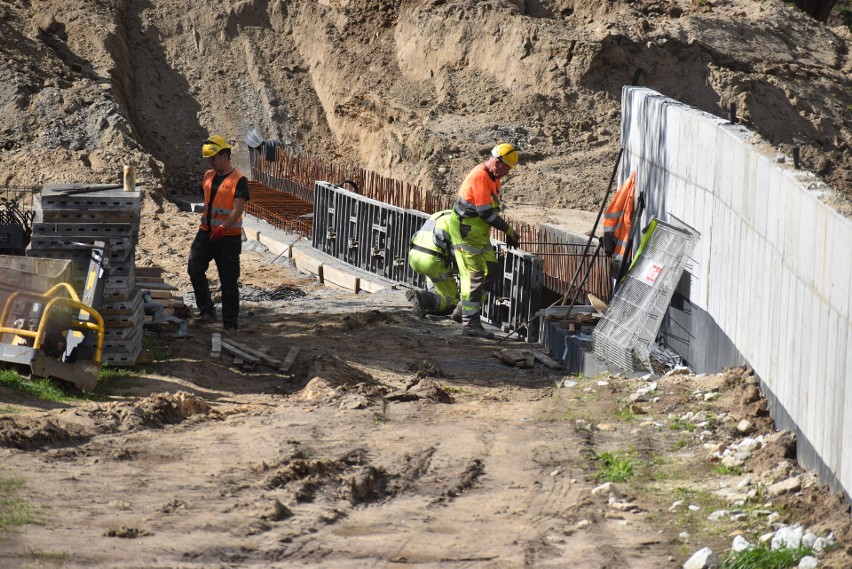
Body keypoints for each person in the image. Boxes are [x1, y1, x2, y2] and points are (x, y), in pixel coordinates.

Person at [449, 143, 520, 338]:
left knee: (492, 271)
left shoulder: (493, 177)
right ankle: (470, 324)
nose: (506, 173)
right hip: (466, 232)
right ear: (497, 163)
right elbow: (485, 212)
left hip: (479, 234)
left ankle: (462, 311)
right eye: (506, 168)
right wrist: (507, 229)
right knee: (475, 276)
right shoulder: (480, 176)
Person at [187, 135, 250, 333]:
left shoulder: (239, 180)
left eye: (214, 157)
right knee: (194, 268)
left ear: (225, 155)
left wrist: (223, 227)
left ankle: (230, 324)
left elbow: (237, 209)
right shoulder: (208, 176)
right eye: (209, 158)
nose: (211, 161)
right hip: (206, 233)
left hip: (228, 237)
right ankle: (206, 310)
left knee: (228, 281)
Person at [406, 210, 460, 318]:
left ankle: (431, 301)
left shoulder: (439, 215)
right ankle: (422, 297)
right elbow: (458, 253)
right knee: (453, 301)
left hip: (415, 256)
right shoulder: (457, 221)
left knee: (438, 286)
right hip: (432, 261)